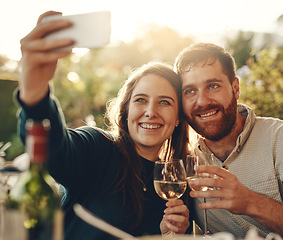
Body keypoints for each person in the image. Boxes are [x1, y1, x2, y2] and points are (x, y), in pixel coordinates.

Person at [15, 11, 190, 240]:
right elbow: (52, 149)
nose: (150, 112)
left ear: (178, 117)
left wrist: (169, 236)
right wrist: (35, 91)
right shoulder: (98, 148)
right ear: (126, 110)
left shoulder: (173, 183)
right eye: (141, 100)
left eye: (164, 102)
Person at [174, 43, 283, 240]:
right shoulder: (186, 161)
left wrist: (250, 203)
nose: (202, 101)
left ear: (235, 88)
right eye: (190, 91)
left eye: (213, 86)